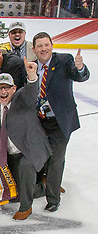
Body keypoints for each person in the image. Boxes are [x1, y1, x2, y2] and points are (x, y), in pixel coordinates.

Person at [0, 69, 52, 221]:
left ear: (14, 89)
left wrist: (32, 77)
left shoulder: (22, 99)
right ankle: (44, 186)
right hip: (11, 155)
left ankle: (26, 207)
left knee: (26, 167)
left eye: (7, 88)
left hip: (31, 150)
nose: (3, 91)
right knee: (13, 194)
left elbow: (31, 91)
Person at [32, 32, 90, 212]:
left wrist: (80, 68)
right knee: (45, 158)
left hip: (60, 121)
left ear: (52, 46)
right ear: (34, 49)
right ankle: (47, 182)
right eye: (39, 46)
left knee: (56, 159)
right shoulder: (32, 66)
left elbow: (79, 75)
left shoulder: (64, 60)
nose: (43, 49)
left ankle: (53, 198)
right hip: (40, 121)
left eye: (46, 45)